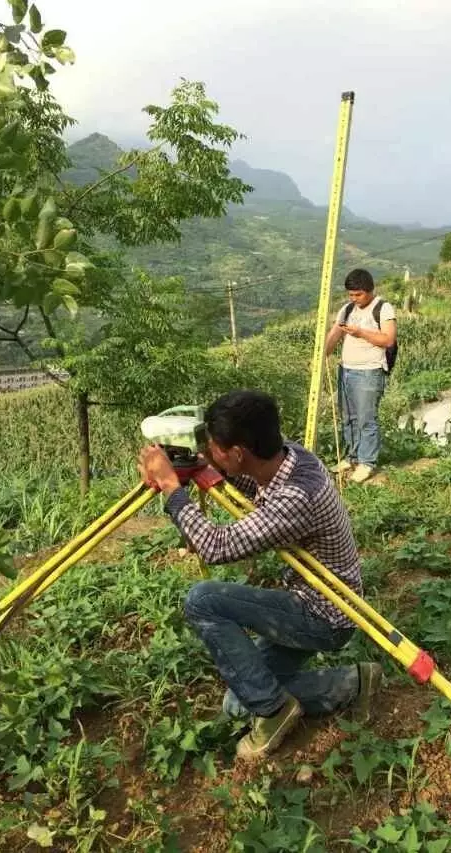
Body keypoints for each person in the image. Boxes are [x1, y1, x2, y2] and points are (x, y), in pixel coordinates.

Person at [138, 390, 382, 761]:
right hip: (314, 598)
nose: (208, 451)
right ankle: (353, 682)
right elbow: (254, 484)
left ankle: (273, 711)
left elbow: (216, 547)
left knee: (203, 600)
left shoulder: (298, 496)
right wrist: (204, 469)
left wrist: (172, 488)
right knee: (238, 703)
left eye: (215, 447)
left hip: (323, 613)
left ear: (238, 453)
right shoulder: (290, 457)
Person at [325, 268, 397, 483]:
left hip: (369, 372)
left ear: (370, 290)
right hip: (346, 370)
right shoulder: (347, 310)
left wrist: (361, 332)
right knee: (349, 418)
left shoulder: (383, 308)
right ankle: (352, 457)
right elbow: (335, 334)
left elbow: (388, 340)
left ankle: (367, 462)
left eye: (358, 294)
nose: (354, 299)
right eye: (351, 295)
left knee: (367, 419)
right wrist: (321, 355)